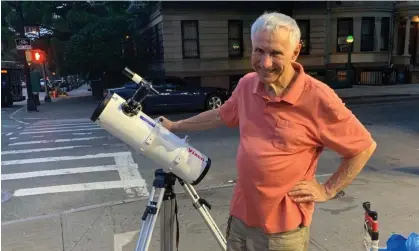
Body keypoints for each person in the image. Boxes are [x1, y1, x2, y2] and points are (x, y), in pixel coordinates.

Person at [158, 12, 377, 251]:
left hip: (282, 233)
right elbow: (221, 114)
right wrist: (175, 126)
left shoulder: (317, 97)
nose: (265, 63)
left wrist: (327, 189)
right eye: (259, 51)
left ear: (295, 52)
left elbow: (363, 147)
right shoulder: (247, 85)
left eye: (275, 53)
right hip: (241, 220)